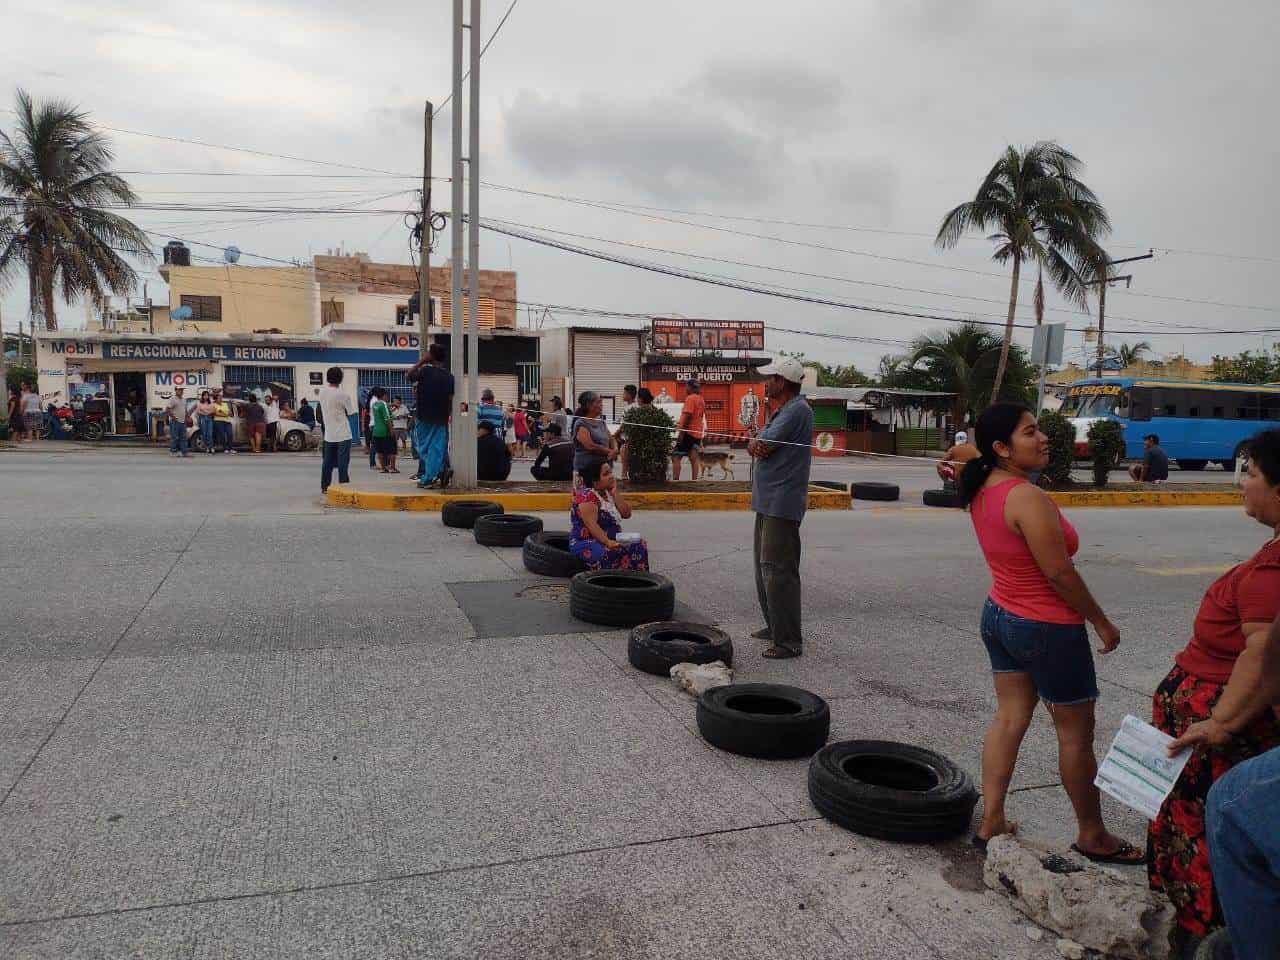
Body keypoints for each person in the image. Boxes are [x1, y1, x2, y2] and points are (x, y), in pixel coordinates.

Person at [959, 402, 1141, 864]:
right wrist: (1100, 621)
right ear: (1001, 448)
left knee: (1009, 716)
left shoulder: (982, 487)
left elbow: (963, 452)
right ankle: (1093, 835)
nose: (1043, 439)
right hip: (1046, 627)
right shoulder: (1026, 497)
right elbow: (1059, 574)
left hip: (1000, 615)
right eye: (1030, 432)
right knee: (1076, 736)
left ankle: (991, 820)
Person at [1146, 428, 1280, 950]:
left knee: (1213, 821)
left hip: (1220, 726)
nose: (1243, 484)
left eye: (1251, 473)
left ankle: (1215, 931)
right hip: (1213, 716)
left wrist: (1222, 721)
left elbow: (1263, 654)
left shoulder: (1272, 569)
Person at [747, 357, 813, 659]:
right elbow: (760, 444)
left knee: (778, 570)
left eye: (770, 377)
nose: (766, 382)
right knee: (764, 568)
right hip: (769, 500)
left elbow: (764, 445)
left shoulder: (796, 409)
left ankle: (788, 640)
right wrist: (757, 442)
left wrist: (756, 443)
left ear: (783, 382)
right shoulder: (783, 410)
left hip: (781, 502)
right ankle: (775, 626)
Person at [569, 460, 648, 571]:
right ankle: (610, 585)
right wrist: (607, 542)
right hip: (587, 541)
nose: (611, 476)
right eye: (606, 474)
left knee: (639, 544)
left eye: (610, 472)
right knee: (608, 552)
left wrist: (615, 493)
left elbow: (626, 514)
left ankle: (637, 580)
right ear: (595, 481)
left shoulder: (607, 492)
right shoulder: (587, 497)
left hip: (611, 538)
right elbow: (591, 525)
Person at [407, 343, 455, 489]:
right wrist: (448, 415)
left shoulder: (425, 371)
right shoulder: (449, 376)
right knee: (437, 448)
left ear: (431, 356)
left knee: (423, 448)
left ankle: (429, 477)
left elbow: (408, 375)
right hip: (441, 417)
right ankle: (440, 471)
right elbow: (450, 398)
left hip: (423, 415)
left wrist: (422, 361)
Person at [319, 367, 354, 493]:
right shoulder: (343, 394)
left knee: (327, 463)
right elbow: (350, 412)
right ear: (341, 379)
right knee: (343, 464)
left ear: (328, 378)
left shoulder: (322, 393)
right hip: (343, 434)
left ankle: (325, 487)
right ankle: (344, 487)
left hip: (329, 434)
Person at [572, 391, 617, 478]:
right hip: (586, 470)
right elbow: (590, 446)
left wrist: (615, 449)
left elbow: (612, 439)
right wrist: (609, 451)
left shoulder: (601, 422)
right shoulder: (581, 423)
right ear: (589, 405)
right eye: (598, 402)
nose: (602, 405)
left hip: (604, 469)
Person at [671, 379, 706, 481]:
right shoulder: (701, 399)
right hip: (697, 433)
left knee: (676, 456)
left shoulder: (690, 398)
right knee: (693, 457)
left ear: (690, 387)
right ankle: (694, 481)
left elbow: (688, 416)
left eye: (686, 386)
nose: (685, 389)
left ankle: (676, 480)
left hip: (688, 432)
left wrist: (682, 434)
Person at [369, 386, 398, 473]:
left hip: (376, 431)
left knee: (380, 451)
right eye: (387, 395)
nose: (388, 397)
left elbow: (381, 416)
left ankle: (383, 468)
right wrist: (391, 429)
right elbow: (387, 419)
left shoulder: (374, 405)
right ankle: (392, 468)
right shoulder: (384, 404)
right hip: (385, 431)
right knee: (392, 449)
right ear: (384, 395)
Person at [164, 386, 190, 458]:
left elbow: (185, 410)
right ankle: (173, 451)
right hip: (175, 422)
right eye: (180, 390)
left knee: (183, 437)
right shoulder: (172, 399)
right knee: (174, 437)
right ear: (176, 390)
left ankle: (184, 452)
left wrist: (188, 417)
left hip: (183, 421)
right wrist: (173, 417)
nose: (181, 391)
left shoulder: (184, 400)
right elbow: (167, 409)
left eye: (182, 390)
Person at [618, 384, 638, 476]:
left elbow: (624, 425)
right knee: (628, 466)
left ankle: (624, 482)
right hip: (628, 440)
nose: (623, 395)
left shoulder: (631, 408)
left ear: (629, 395)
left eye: (624, 393)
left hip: (628, 441)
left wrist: (615, 434)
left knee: (624, 467)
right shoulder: (633, 407)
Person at [212, 389, 235, 454]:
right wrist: (225, 414)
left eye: (221, 398)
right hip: (218, 421)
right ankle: (225, 448)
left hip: (227, 421)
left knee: (230, 434)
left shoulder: (225, 404)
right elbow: (215, 413)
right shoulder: (214, 405)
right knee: (222, 435)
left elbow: (230, 413)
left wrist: (222, 413)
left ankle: (231, 448)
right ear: (216, 399)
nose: (221, 399)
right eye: (219, 398)